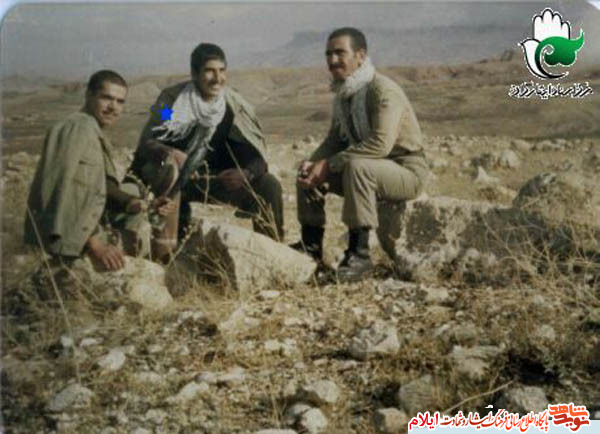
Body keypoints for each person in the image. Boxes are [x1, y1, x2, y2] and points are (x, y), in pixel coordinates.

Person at [292, 27, 429, 282]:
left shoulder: (382, 90)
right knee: (308, 170)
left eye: (340, 53)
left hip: (405, 170)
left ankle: (360, 256)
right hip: (369, 171)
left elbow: (380, 144)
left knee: (357, 167)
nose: (333, 60)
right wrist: (313, 164)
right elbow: (334, 141)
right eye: (328, 54)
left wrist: (329, 165)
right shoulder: (344, 94)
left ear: (360, 56)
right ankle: (311, 247)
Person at [129, 43, 283, 260]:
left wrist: (246, 174)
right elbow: (150, 139)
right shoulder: (171, 103)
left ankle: (271, 257)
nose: (217, 78)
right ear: (194, 74)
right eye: (209, 71)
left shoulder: (233, 105)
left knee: (268, 184)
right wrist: (169, 152)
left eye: (222, 71)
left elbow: (256, 155)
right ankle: (165, 257)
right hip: (174, 178)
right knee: (170, 172)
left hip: (215, 180)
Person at [25, 70, 174, 271]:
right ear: (89, 95)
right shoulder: (77, 128)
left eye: (120, 101)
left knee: (132, 195)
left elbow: (102, 186)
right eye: (106, 98)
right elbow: (60, 188)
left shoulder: (92, 129)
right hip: (65, 236)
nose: (113, 107)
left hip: (83, 228)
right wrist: (95, 244)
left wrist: (140, 204)